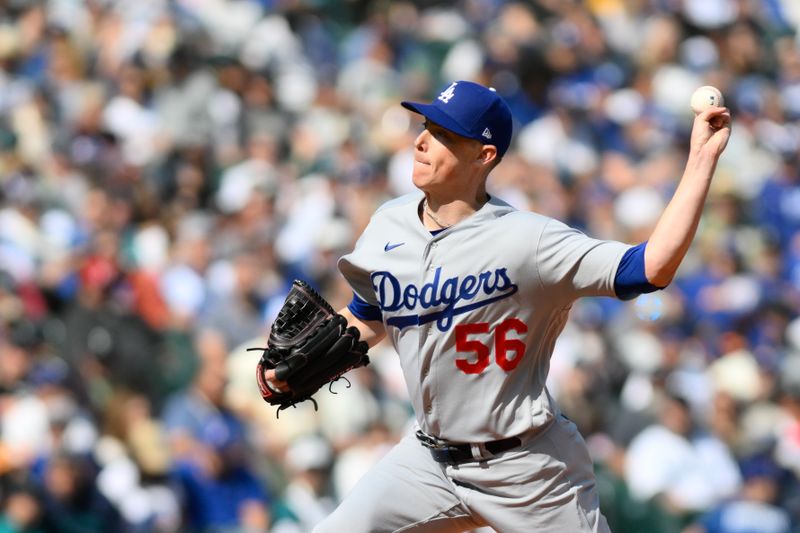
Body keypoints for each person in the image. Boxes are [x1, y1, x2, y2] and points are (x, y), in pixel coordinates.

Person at [264, 80, 731, 532]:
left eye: (444, 135)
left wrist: (700, 160)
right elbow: (367, 317)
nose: (423, 142)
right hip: (428, 461)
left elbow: (651, 267)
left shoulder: (529, 241)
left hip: (527, 467)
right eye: (426, 128)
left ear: (484, 156)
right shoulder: (389, 224)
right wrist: (299, 362)